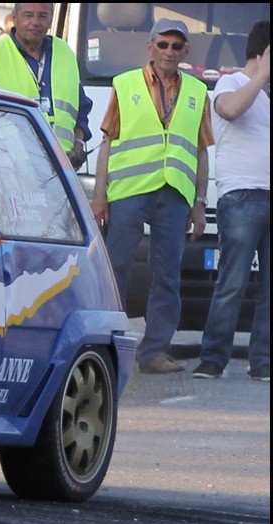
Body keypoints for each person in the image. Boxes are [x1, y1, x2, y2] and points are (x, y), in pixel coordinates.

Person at [93, 19, 215, 375]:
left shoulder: (197, 92)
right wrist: (100, 197)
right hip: (129, 191)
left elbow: (201, 151)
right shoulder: (124, 84)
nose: (169, 52)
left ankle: (154, 352)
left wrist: (200, 203)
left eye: (176, 46)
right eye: (163, 44)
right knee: (116, 269)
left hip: (175, 193)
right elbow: (108, 143)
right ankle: (106, 346)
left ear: (186, 51)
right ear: (150, 47)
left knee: (167, 275)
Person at [194, 20, 270, 381]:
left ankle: (263, 361)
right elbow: (229, 110)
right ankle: (213, 359)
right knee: (232, 283)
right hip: (241, 196)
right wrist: (262, 74)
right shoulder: (232, 82)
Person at [0, 3, 91, 166]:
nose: (35, 22)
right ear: (15, 18)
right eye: (28, 15)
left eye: (43, 16)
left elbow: (81, 108)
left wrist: (78, 146)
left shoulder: (65, 52)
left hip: (62, 167)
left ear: (51, 19)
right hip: (11, 168)